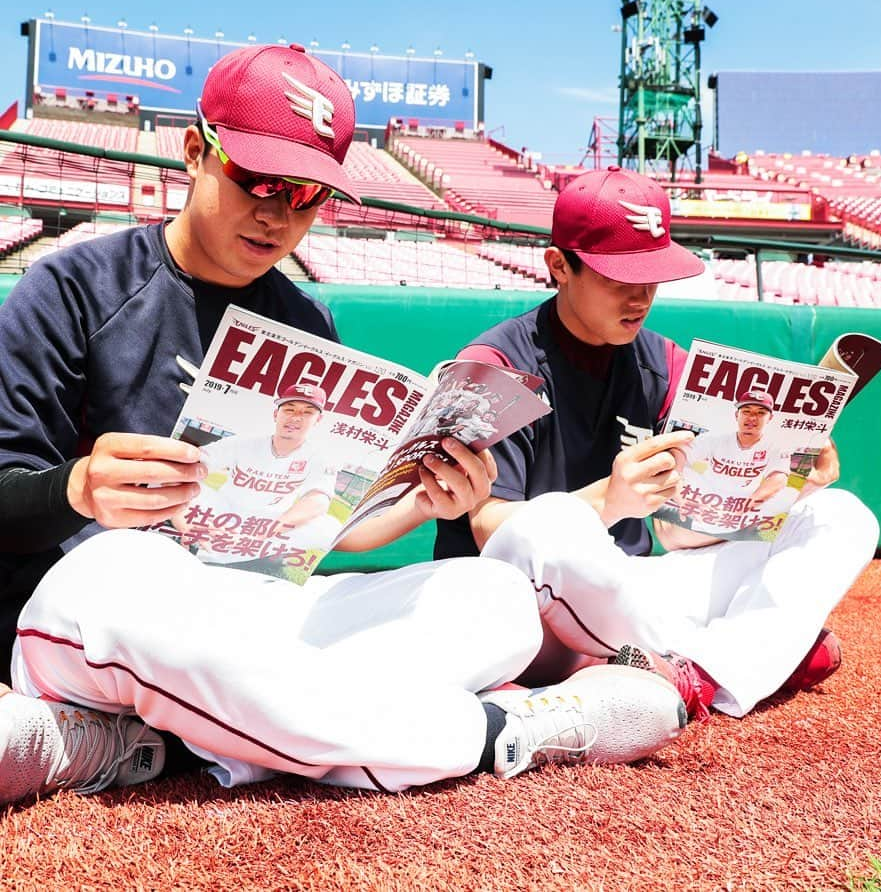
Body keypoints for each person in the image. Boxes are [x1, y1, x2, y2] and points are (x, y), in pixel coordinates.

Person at [0, 48, 686, 804]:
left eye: (305, 194)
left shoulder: (305, 319)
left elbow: (324, 530)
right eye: (256, 179)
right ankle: (507, 731)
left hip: (253, 607)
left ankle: (151, 744)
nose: (276, 211)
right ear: (196, 153)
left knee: (496, 604)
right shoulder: (70, 288)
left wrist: (423, 499)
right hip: (96, 602)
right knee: (134, 569)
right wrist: (80, 488)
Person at [435, 166, 879, 719]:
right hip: (516, 608)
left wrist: (786, 482)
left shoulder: (663, 363)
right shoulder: (495, 364)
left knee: (841, 515)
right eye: (619, 276)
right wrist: (609, 502)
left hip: (630, 596)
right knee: (547, 527)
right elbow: (488, 530)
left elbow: (675, 532)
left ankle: (707, 670)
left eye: (652, 276)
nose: (641, 296)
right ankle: (761, 650)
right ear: (558, 266)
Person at [171, 382, 342, 564]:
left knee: (330, 528)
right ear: (276, 414)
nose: (296, 417)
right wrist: (181, 516)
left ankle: (227, 549)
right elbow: (191, 465)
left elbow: (317, 501)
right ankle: (217, 545)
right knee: (172, 478)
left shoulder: (320, 456)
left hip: (270, 520)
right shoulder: (244, 442)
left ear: (318, 420)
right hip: (222, 511)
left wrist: (264, 532)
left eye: (307, 412)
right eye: (289, 409)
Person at [658, 389, 796, 538]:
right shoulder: (716, 438)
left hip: (744, 499)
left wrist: (742, 507)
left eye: (761, 413)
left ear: (770, 418)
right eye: (746, 411)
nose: (752, 417)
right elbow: (680, 452)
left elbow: (778, 479)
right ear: (737, 415)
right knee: (677, 465)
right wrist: (680, 491)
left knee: (789, 495)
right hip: (707, 495)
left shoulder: (775, 446)